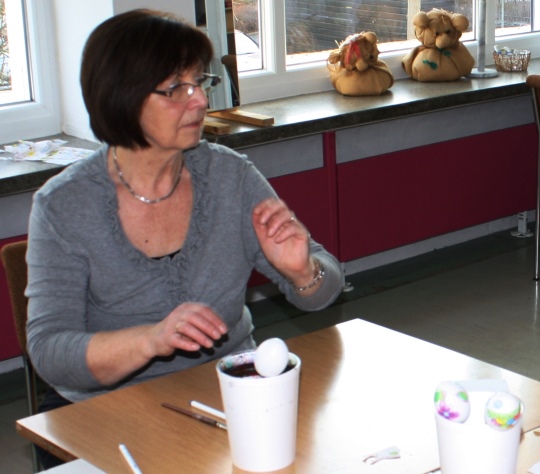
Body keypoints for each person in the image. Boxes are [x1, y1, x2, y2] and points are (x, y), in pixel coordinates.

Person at [25, 7, 344, 442]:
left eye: (199, 81)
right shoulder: (64, 205)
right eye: (176, 88)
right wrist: (150, 340)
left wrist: (304, 271)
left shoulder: (229, 175)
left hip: (227, 391)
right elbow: (49, 351)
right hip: (107, 410)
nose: (199, 101)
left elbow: (326, 289)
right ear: (122, 96)